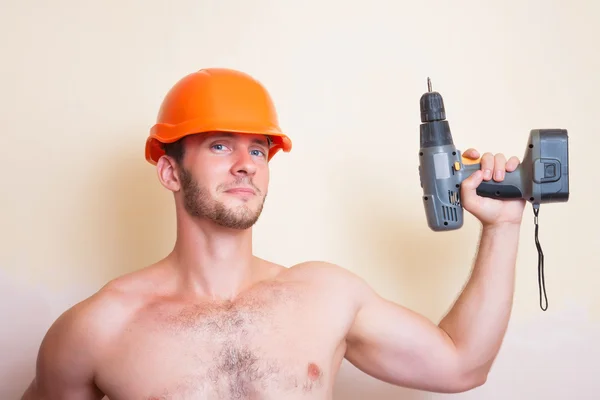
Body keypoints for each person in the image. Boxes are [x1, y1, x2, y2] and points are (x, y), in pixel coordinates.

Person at [21, 68, 525, 400]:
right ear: (171, 173)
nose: (246, 166)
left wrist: (503, 226)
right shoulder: (97, 329)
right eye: (220, 146)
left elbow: (462, 366)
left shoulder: (324, 295)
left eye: (258, 150)